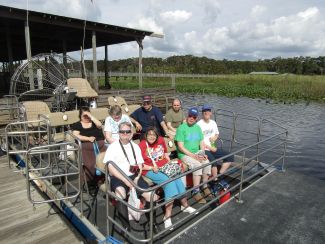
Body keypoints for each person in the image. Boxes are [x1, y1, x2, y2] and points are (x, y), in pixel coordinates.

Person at [139, 127, 196, 229]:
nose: (151, 137)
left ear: (157, 135)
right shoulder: (142, 145)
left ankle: (185, 205)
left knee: (177, 178)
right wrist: (152, 167)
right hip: (150, 169)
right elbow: (140, 165)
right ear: (146, 135)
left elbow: (165, 153)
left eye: (154, 134)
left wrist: (169, 161)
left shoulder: (160, 140)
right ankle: (167, 216)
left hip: (164, 166)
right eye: (149, 134)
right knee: (169, 182)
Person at [103, 122, 156, 229]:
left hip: (134, 176)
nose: (125, 133)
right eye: (122, 131)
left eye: (128, 131)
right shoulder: (112, 147)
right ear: (118, 133)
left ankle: (152, 223)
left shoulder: (135, 146)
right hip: (118, 176)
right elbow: (110, 168)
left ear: (131, 133)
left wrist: (137, 178)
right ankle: (125, 226)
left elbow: (140, 164)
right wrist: (126, 181)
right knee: (120, 194)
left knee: (151, 196)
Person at [175, 107, 212, 204]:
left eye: (194, 117)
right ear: (187, 116)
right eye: (190, 116)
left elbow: (201, 143)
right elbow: (181, 147)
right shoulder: (181, 128)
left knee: (207, 163)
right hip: (184, 154)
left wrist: (202, 154)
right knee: (197, 165)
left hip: (196, 152)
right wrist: (193, 156)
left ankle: (204, 186)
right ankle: (196, 191)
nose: (191, 118)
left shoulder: (197, 127)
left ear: (196, 118)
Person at [197, 104, 233, 183]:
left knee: (230, 156)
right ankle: (215, 180)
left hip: (213, 147)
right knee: (213, 161)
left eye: (208, 111)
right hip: (204, 149)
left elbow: (217, 134)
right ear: (202, 113)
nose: (206, 112)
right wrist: (209, 147)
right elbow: (198, 141)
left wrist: (214, 138)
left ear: (211, 113)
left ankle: (220, 174)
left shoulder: (213, 123)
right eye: (204, 111)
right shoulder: (198, 124)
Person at [71, 107, 106, 181]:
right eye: (84, 116)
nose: (87, 117)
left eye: (88, 115)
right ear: (80, 116)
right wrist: (88, 138)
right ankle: (89, 181)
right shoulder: (77, 125)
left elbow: (100, 125)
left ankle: (102, 178)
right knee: (90, 165)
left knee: (104, 163)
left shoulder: (94, 122)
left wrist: (91, 116)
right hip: (86, 147)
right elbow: (76, 135)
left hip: (100, 146)